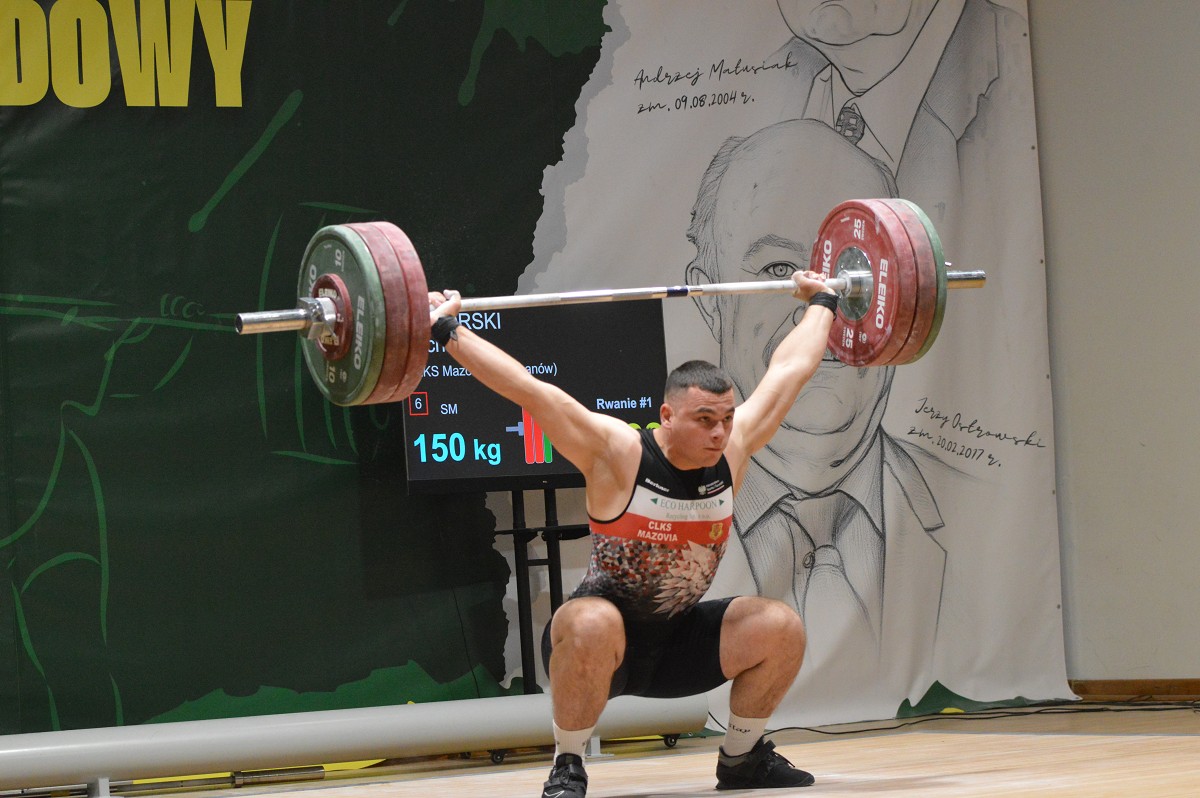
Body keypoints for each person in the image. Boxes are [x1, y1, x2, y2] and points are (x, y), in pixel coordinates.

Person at [427, 266, 838, 795]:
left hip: (680, 642)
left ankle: (742, 760)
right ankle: (568, 765)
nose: (719, 432)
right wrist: (447, 330)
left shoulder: (734, 449)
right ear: (667, 414)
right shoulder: (618, 452)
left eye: (726, 418)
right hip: (603, 641)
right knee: (590, 621)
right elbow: (529, 390)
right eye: (704, 419)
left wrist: (823, 301)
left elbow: (791, 370)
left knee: (781, 627)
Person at [686, 119, 959, 715]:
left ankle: (744, 754)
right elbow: (791, 365)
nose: (823, 314)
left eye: (858, 268)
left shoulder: (979, 503)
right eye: (776, 269)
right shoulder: (660, 504)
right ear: (709, 299)